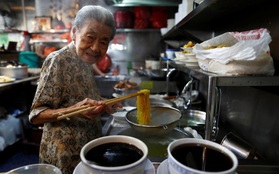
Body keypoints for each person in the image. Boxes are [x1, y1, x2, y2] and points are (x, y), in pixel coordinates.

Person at [29, 5, 121, 174]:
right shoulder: (58, 60)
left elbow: (79, 94)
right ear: (74, 32)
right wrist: (74, 110)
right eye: (89, 37)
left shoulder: (85, 61)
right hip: (64, 158)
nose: (95, 48)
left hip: (87, 151)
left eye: (103, 42)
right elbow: (36, 115)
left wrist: (104, 104)